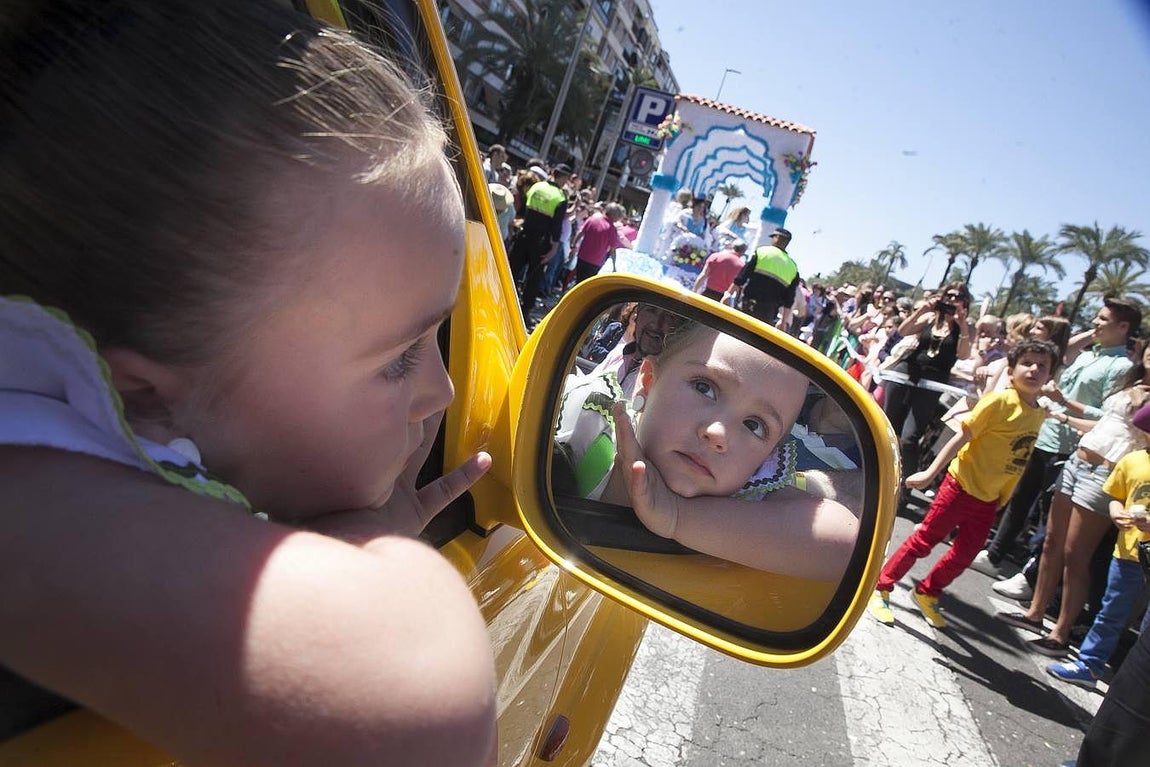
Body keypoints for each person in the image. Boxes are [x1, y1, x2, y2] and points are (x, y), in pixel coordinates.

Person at [0, 3, 496, 764]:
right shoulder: (27, 477)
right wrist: (370, 539)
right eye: (399, 357)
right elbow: (425, 708)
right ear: (142, 396)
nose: (445, 392)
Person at [555, 322, 859, 582]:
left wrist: (677, 517)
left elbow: (845, 543)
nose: (718, 434)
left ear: (765, 459)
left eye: (754, 426)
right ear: (647, 382)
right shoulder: (592, 422)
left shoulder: (744, 501)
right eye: (704, 388)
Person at [868, 339, 1060, 628]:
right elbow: (962, 436)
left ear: (1050, 377)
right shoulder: (999, 401)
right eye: (1027, 363)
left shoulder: (1038, 413)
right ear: (1010, 371)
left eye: (1042, 366)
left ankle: (928, 591)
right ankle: (882, 586)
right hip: (960, 486)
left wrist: (1003, 496)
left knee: (966, 553)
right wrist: (930, 473)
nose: (1034, 370)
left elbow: (1019, 456)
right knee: (925, 540)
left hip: (989, 498)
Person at [995, 335, 1150, 657]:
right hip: (1078, 461)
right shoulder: (1131, 383)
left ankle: (1060, 632)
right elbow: (1103, 424)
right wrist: (1064, 414)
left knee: (1075, 555)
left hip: (1107, 474)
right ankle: (1034, 614)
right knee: (1051, 543)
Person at [981, 299, 1142, 595]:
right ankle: (994, 555)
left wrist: (1064, 404)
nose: (1094, 322)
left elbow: (1107, 417)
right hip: (1044, 436)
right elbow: (1063, 351)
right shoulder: (1085, 355)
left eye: (1103, 318)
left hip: (1072, 446)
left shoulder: (1121, 366)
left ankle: (1030, 579)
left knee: (1048, 522)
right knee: (1020, 500)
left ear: (1123, 327)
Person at [1045, 400, 1150, 688]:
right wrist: (1116, 509)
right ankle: (1090, 664)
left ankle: (1135, 685)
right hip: (1129, 553)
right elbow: (1117, 494)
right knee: (1110, 612)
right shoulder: (1133, 461)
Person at [880, 282, 973, 480]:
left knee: (909, 437)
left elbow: (964, 355)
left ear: (965, 302)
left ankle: (905, 485)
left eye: (958, 297)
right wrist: (922, 309)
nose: (952, 300)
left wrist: (962, 323)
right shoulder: (931, 317)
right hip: (905, 374)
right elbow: (903, 331)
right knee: (887, 426)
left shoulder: (964, 327)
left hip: (932, 384)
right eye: (949, 295)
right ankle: (878, 472)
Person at [509, 162, 572, 319]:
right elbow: (556, 227)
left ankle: (503, 300)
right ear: (564, 178)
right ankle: (525, 311)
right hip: (541, 242)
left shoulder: (537, 187)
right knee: (533, 278)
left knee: (512, 271)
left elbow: (523, 210)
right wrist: (554, 248)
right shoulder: (560, 197)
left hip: (524, 235)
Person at [727, 227, 800, 330]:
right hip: (768, 314)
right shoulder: (792, 268)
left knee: (736, 333)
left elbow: (741, 277)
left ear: (777, 238)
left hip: (748, 305)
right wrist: (783, 321)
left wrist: (728, 294)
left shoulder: (762, 252)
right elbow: (789, 299)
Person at [571, 202, 628, 284]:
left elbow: (580, 233)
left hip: (582, 256)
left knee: (578, 280)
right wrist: (614, 266)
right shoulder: (611, 229)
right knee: (585, 285)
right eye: (619, 216)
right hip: (594, 262)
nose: (619, 219)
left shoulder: (593, 218)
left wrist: (573, 246)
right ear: (614, 215)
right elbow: (612, 250)